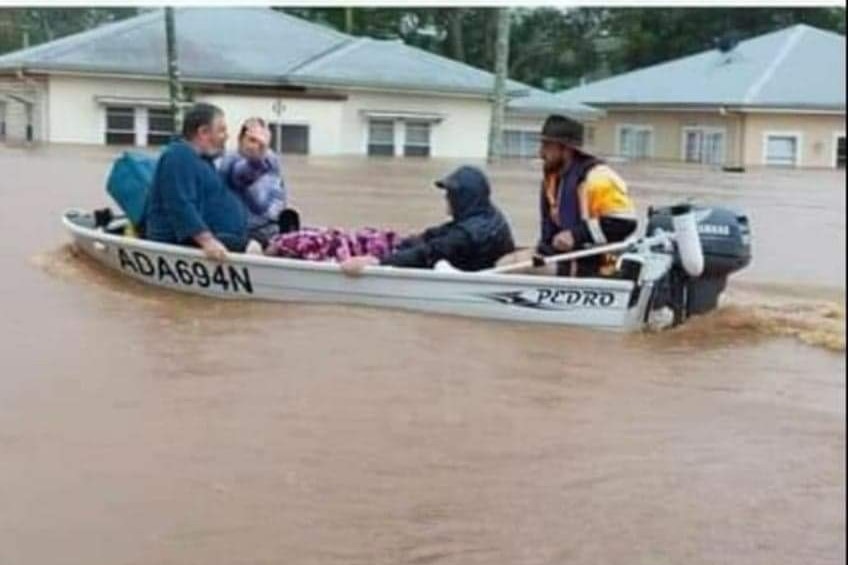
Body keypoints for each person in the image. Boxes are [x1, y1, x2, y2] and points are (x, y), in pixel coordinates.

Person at [499, 114, 638, 277]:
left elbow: (625, 222)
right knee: (506, 262)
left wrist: (576, 235)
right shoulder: (551, 179)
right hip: (564, 256)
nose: (541, 153)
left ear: (566, 149)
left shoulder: (598, 178)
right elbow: (548, 231)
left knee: (518, 266)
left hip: (598, 264)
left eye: (546, 145)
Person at [340, 165, 515, 275]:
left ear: (464, 198)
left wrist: (377, 262)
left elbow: (427, 254)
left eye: (451, 194)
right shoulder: (488, 215)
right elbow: (441, 233)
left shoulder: (465, 236)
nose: (446, 198)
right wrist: (409, 241)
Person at [145, 103, 248, 260]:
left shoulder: (204, 160)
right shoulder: (178, 156)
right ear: (203, 132)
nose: (226, 136)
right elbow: (180, 203)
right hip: (183, 242)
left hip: (220, 236)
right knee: (255, 247)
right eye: (221, 130)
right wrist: (208, 241)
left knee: (271, 242)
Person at [219, 117, 289, 247]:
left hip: (271, 230)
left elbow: (279, 195)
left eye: (263, 142)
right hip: (244, 233)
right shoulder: (230, 160)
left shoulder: (271, 159)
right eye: (252, 140)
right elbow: (243, 176)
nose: (257, 146)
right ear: (240, 139)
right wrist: (257, 159)